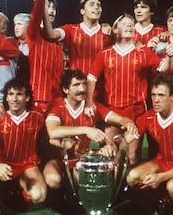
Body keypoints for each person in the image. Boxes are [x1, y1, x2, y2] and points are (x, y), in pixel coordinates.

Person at [86, 13, 169, 165]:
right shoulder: (104, 54)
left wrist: (169, 56)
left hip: (137, 112)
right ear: (115, 30)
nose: (129, 25)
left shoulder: (144, 52)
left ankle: (131, 188)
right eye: (124, 23)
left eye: (131, 23)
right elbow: (91, 78)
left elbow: (163, 68)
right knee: (112, 157)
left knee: (132, 157)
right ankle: (111, 186)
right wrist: (89, 102)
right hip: (113, 112)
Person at [43, 69, 138, 201]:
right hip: (58, 160)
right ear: (66, 89)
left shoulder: (91, 107)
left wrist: (127, 122)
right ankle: (62, 195)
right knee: (52, 179)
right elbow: (53, 132)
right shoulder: (57, 105)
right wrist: (86, 130)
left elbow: (117, 118)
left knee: (92, 180)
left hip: (81, 158)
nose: (82, 89)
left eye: (83, 84)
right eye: (76, 85)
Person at [125, 73, 173, 215]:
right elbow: (127, 139)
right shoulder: (149, 116)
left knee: (172, 187)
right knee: (132, 177)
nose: (156, 100)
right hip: (161, 162)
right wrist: (113, 144)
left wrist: (161, 177)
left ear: (172, 97)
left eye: (161, 95)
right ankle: (162, 198)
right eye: (153, 95)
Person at [0, 78, 47, 213]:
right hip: (1, 161)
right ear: (6, 97)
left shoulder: (38, 115)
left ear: (27, 97)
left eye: (19, 94)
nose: (14, 99)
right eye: (10, 94)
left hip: (27, 163)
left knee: (39, 196)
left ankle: (14, 187)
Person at [25, 0, 64, 113]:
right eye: (49, 7)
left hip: (58, 99)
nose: (51, 11)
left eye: (54, 8)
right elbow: (36, 14)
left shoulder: (57, 38)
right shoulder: (34, 33)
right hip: (39, 99)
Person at [43, 0, 112, 76]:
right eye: (91, 4)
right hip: (75, 85)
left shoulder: (108, 33)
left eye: (99, 5)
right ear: (82, 11)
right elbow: (51, 35)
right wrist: (44, 10)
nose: (96, 7)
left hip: (100, 86)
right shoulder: (70, 29)